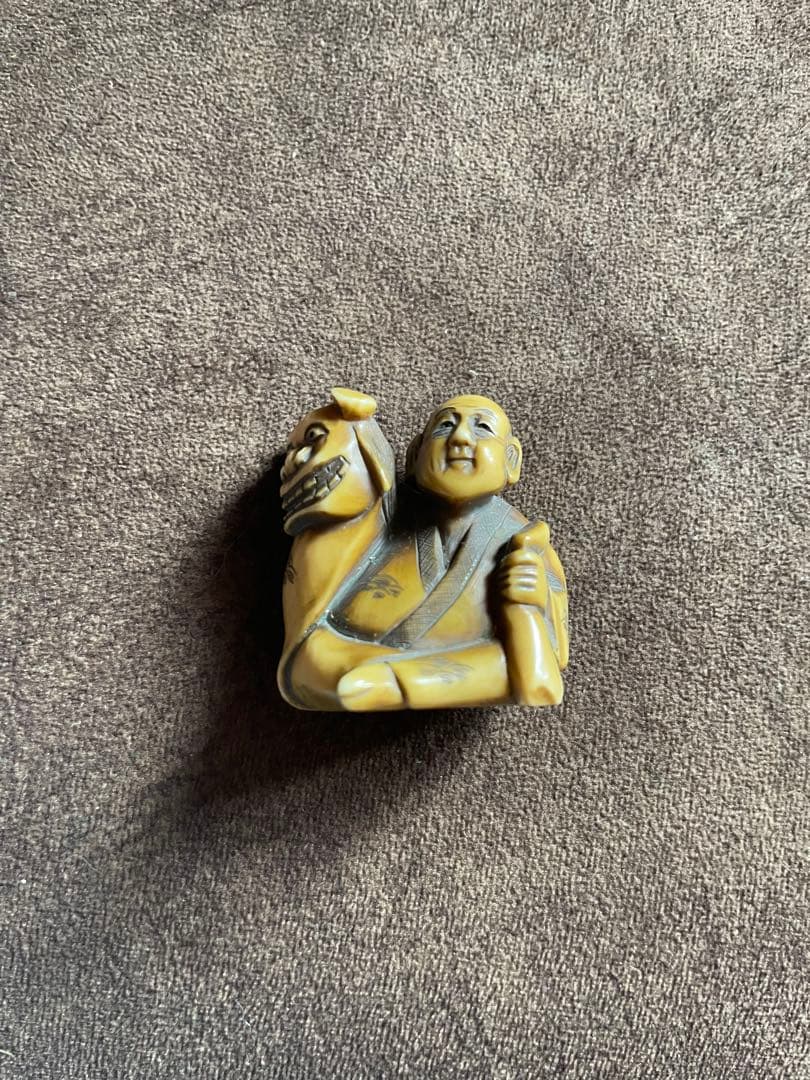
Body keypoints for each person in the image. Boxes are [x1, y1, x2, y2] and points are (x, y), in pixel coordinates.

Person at [330, 394, 568, 710]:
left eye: (483, 428)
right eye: (445, 426)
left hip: (372, 681)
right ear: (415, 455)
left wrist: (527, 608)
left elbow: (542, 684)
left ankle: (397, 681)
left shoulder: (527, 545)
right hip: (355, 679)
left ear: (511, 460)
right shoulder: (380, 523)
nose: (460, 438)